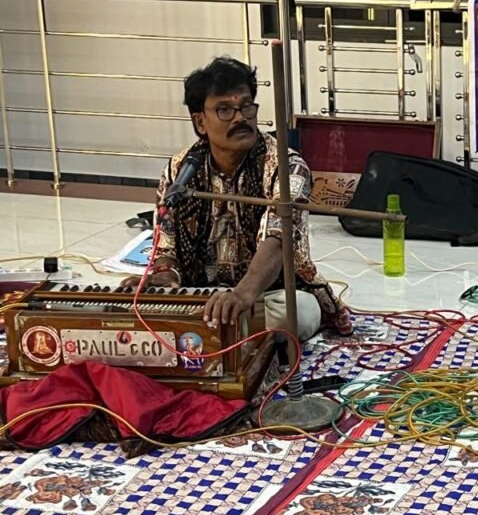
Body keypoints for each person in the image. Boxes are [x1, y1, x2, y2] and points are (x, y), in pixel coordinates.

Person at [130, 56, 351, 340]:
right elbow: (166, 248)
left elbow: (277, 238)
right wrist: (163, 281)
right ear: (200, 122)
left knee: (298, 313)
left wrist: (243, 294)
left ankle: (216, 328)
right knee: (139, 306)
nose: (240, 118)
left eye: (246, 106)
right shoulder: (179, 170)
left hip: (265, 294)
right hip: (201, 293)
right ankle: (223, 327)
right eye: (224, 109)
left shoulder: (285, 166)